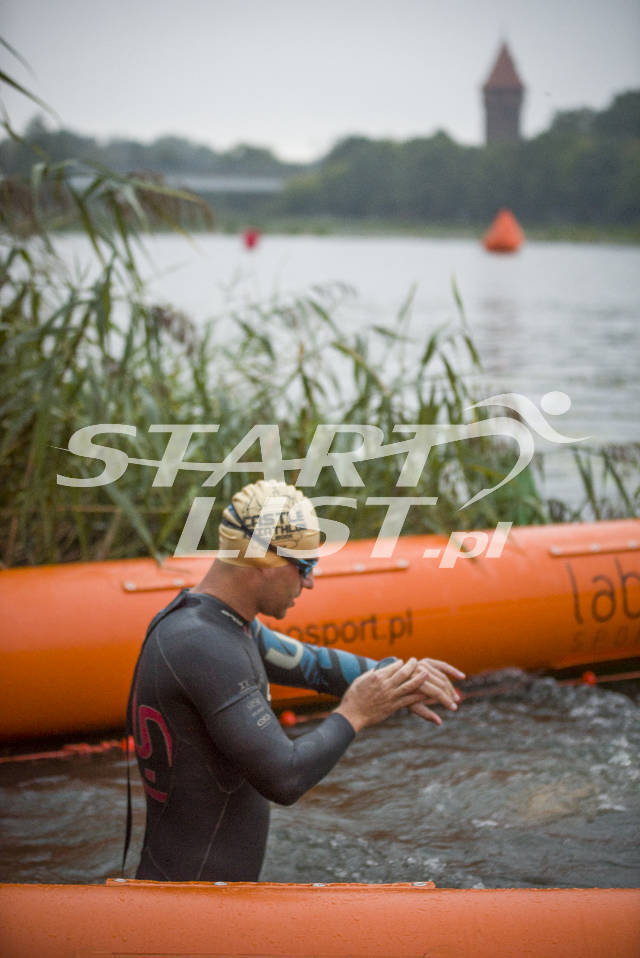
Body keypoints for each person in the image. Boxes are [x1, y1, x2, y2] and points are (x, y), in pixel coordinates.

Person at [127, 480, 464, 882]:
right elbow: (285, 777)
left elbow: (317, 666)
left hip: (210, 894)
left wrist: (402, 675)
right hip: (189, 905)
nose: (310, 582)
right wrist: (354, 714)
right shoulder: (202, 645)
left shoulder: (220, 624)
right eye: (304, 566)